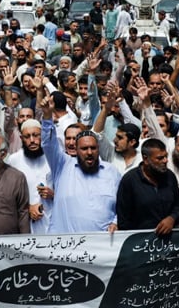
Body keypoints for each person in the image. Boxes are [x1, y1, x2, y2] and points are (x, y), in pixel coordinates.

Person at [40, 87, 121, 233]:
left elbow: (123, 205)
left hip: (103, 246)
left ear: (98, 148)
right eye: (84, 149)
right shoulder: (63, 166)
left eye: (93, 148)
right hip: (64, 246)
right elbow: (48, 144)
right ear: (76, 150)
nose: (89, 152)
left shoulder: (112, 172)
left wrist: (116, 222)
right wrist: (47, 116)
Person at [116, 138, 179, 232]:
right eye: (160, 158)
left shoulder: (170, 176)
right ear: (146, 159)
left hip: (169, 241)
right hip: (140, 242)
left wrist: (172, 218)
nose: (165, 161)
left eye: (166, 156)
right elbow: (123, 220)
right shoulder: (129, 180)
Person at [5, 119, 52, 234]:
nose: (32, 140)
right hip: (24, 222)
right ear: (21, 139)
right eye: (27, 137)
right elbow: (7, 194)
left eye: (36, 135)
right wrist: (28, 208)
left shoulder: (52, 157)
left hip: (52, 219)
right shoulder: (13, 160)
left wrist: (53, 193)